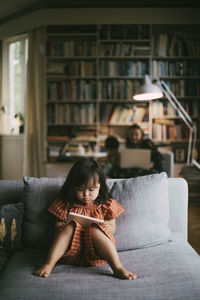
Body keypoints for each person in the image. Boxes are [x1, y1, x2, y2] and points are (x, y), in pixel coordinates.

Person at [34, 158, 137, 280]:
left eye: (91, 190)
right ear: (72, 187)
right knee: (70, 226)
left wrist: (110, 227)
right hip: (70, 253)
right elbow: (57, 229)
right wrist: (63, 227)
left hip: (96, 254)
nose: (86, 195)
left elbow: (112, 230)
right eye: (80, 189)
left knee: (94, 229)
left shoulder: (105, 205)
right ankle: (49, 264)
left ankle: (117, 267)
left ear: (100, 187)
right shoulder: (65, 204)